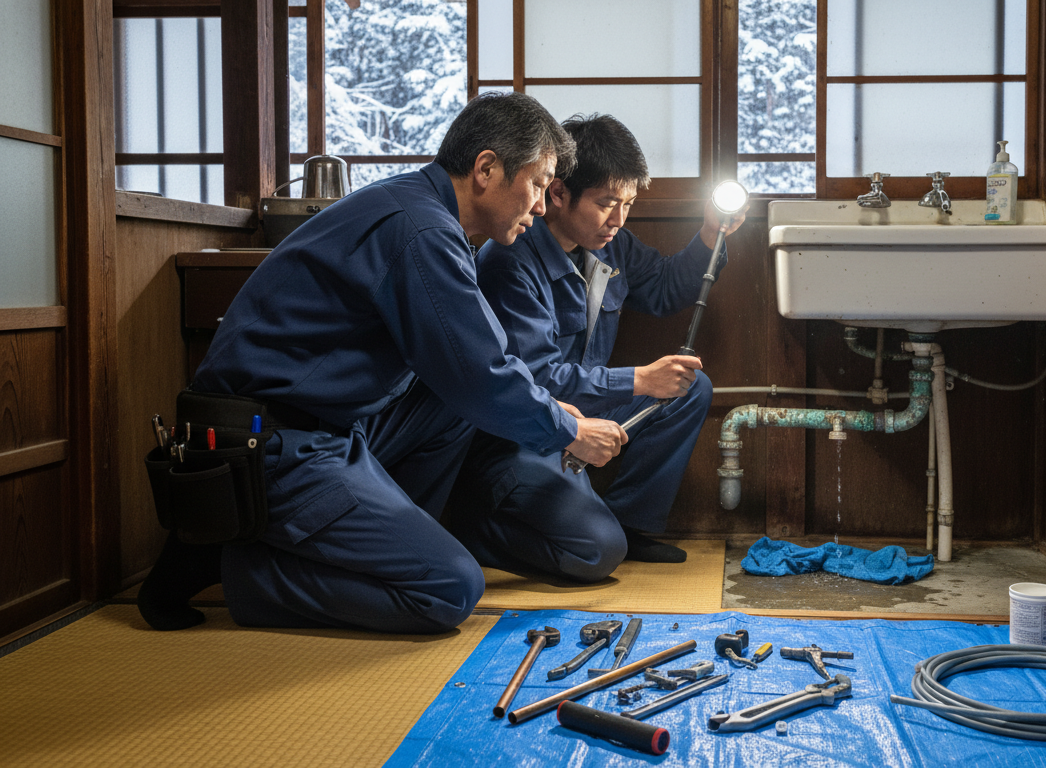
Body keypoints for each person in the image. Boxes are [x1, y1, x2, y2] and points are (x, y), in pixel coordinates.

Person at [136, 93, 627, 634]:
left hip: (324, 425)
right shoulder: (422, 230)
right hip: (274, 445)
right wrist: (567, 430)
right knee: (449, 589)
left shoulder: (423, 212)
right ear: (486, 168)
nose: (541, 205)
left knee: (448, 402)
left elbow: (474, 367)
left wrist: (549, 410)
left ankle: (384, 541)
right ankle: (235, 566)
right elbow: (481, 373)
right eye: (537, 184)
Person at [446, 114, 745, 580]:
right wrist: (640, 379)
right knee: (595, 552)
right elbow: (537, 379)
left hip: (584, 408)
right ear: (558, 192)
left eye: (626, 203)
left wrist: (710, 234)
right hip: (523, 433)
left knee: (689, 387)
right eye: (607, 203)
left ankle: (628, 521)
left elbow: (665, 288)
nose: (619, 219)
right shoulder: (510, 260)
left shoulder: (612, 244)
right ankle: (467, 527)